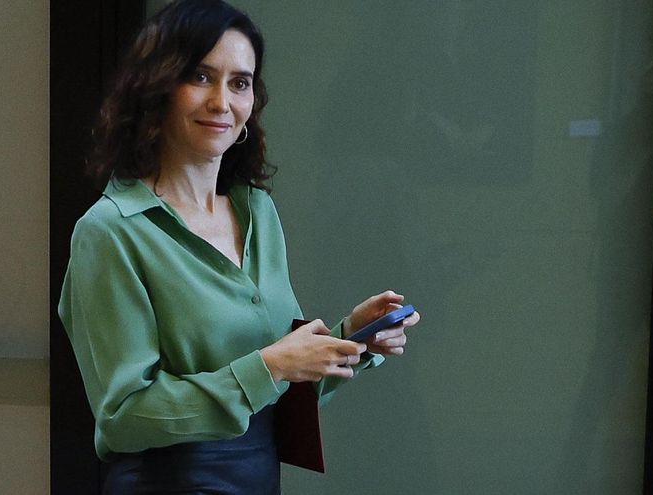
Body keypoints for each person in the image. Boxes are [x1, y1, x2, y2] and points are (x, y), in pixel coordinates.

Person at [58, 1, 420, 493]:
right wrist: (271, 366)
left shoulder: (258, 213)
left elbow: (278, 381)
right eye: (201, 77)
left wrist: (353, 338)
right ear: (156, 89)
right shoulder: (110, 231)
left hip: (258, 479)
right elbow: (122, 416)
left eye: (240, 83)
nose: (222, 102)